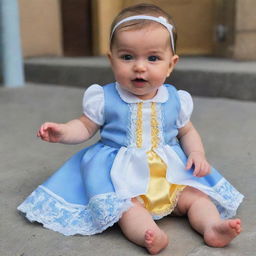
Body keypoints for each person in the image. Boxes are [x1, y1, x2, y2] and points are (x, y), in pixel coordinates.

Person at [18, 3, 243, 255]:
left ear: (171, 64)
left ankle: (212, 227)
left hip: (170, 173)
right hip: (120, 175)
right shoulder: (103, 97)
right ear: (111, 60)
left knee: (196, 198)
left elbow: (187, 132)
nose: (139, 66)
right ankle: (149, 235)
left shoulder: (176, 99)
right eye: (127, 57)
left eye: (153, 58)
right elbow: (84, 126)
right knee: (127, 209)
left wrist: (197, 154)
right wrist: (63, 133)